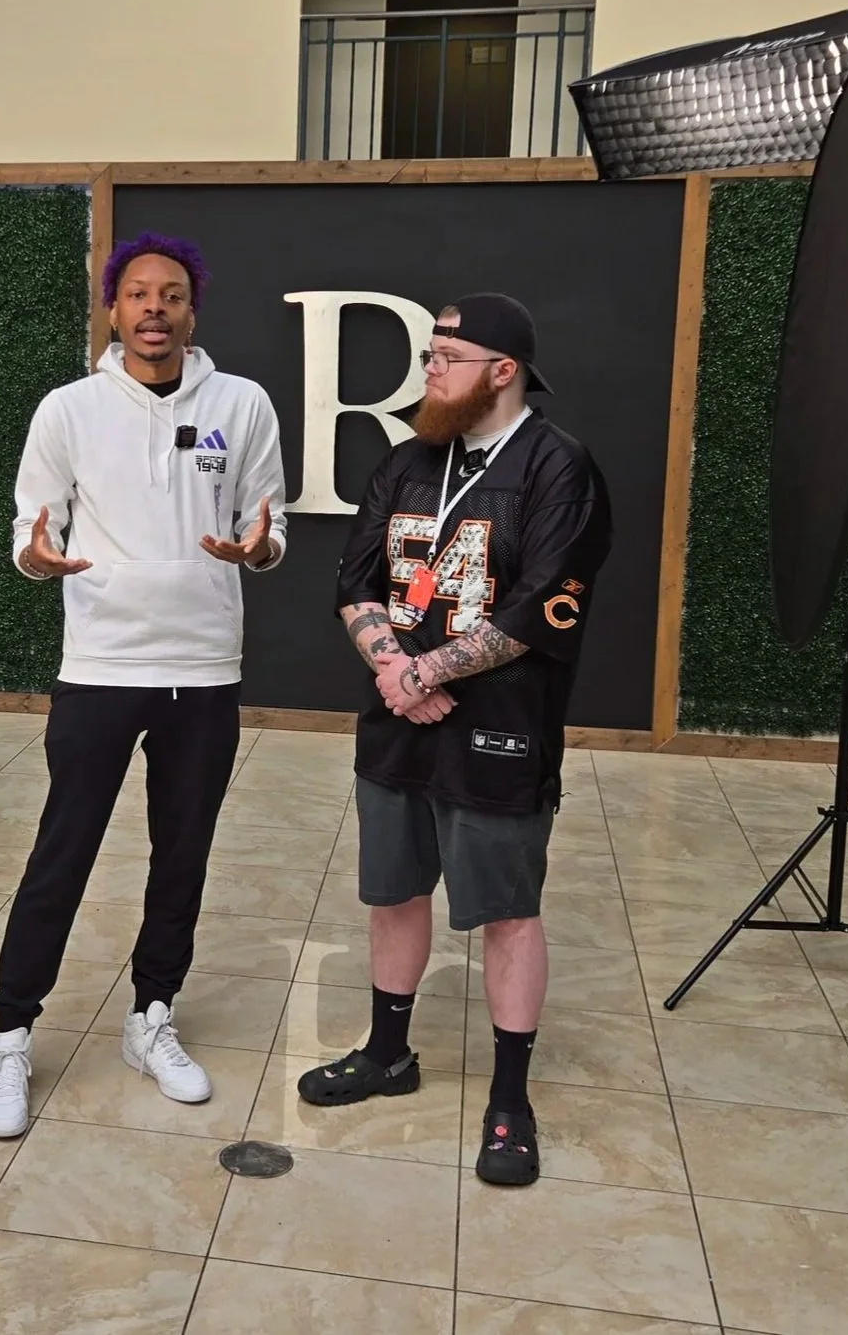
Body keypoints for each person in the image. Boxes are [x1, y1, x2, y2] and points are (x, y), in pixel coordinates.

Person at [0, 232, 289, 1139]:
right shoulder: (69, 410)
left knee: (181, 853)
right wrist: (36, 559)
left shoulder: (243, 403)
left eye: (173, 294)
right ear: (113, 310)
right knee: (61, 854)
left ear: (194, 311)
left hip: (203, 668)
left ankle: (152, 1016)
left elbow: (267, 528)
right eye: (138, 293)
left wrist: (257, 549)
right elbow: (29, 534)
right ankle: (10, 1030)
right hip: (102, 667)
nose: (155, 308)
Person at [298, 293, 610, 1188]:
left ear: (501, 372)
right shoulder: (406, 463)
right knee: (393, 894)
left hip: (502, 729)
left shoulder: (560, 469)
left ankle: (510, 1099)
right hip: (398, 720)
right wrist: (397, 670)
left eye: (446, 356)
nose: (428, 370)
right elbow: (355, 580)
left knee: (508, 913)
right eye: (429, 353)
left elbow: (543, 606)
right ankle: (389, 1054)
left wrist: (425, 675)